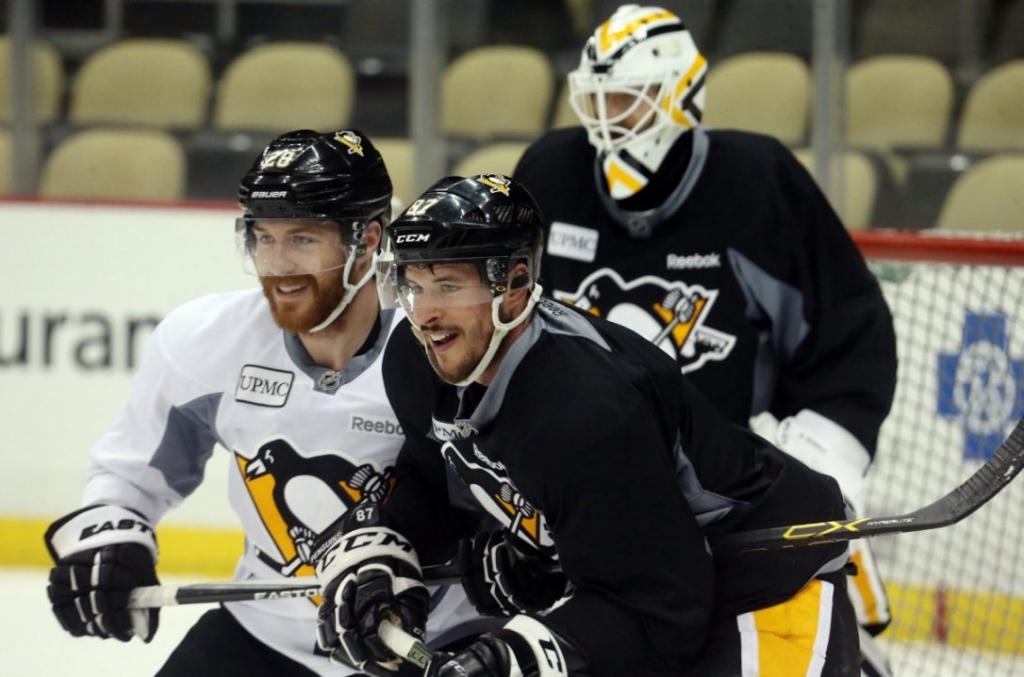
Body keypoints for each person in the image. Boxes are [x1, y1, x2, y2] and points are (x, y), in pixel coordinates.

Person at [311, 173, 861, 677]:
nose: (426, 314)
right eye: (414, 286)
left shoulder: (586, 411)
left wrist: (519, 657)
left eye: (450, 287)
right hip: (663, 569)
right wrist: (384, 547)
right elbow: (438, 477)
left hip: (767, 577)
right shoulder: (415, 360)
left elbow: (663, 607)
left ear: (517, 284)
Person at [511, 3, 899, 661]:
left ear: (682, 96)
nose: (609, 117)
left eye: (630, 99)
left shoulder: (756, 184)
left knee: (814, 611)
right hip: (583, 484)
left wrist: (825, 451)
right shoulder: (550, 173)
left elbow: (849, 332)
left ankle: (851, 647)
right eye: (599, 97)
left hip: (728, 489)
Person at [43, 129, 479, 677]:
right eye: (263, 237)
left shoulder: (449, 349)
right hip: (263, 633)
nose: (277, 264)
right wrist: (113, 529)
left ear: (369, 240)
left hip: (424, 638)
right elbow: (133, 471)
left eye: (302, 239)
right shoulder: (207, 340)